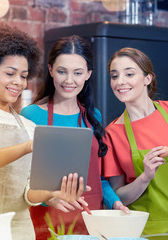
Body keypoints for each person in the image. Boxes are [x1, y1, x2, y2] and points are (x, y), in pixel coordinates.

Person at [0, 24, 88, 240]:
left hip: (18, 232)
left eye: (23, 76)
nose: (18, 83)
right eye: (10, 73)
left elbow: (28, 193)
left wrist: (50, 192)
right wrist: (26, 147)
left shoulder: (28, 127)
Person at [20, 35, 129, 239]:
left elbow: (97, 178)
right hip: (49, 220)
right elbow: (22, 182)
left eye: (78, 73)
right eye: (62, 71)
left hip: (90, 219)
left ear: (88, 74)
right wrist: (48, 198)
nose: (69, 80)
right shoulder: (31, 115)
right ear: (51, 70)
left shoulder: (93, 116)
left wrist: (115, 202)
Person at [102, 47, 168, 235]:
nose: (120, 82)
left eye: (129, 74)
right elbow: (119, 197)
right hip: (145, 231)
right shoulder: (112, 133)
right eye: (114, 76)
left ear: (147, 79)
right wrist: (145, 177)